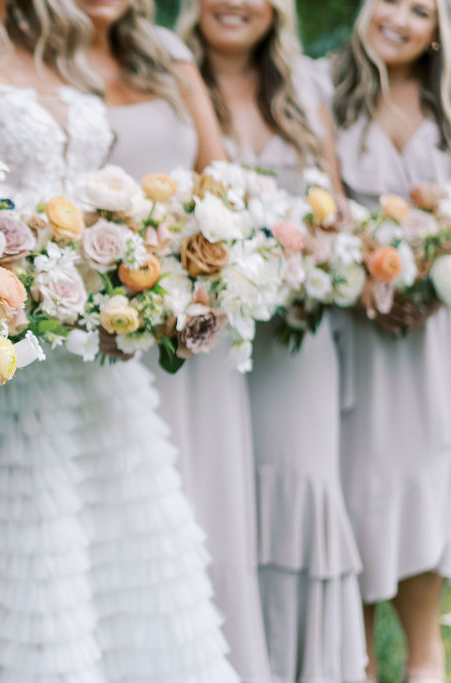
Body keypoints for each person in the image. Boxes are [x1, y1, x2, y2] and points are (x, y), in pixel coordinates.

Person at [0, 1, 239, 680]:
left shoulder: (58, 33)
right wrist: (16, 289)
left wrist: (119, 284)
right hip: (11, 357)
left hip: (98, 359)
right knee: (36, 566)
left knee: (124, 562)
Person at [77, 1, 273, 679]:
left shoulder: (168, 54)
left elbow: (219, 176)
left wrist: (203, 262)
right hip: (102, 331)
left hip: (192, 314)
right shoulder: (44, 57)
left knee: (208, 497)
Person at [177, 1, 369, 681]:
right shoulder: (168, 78)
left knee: (300, 483)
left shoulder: (302, 91)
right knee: (211, 499)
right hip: (204, 339)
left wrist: (314, 245)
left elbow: (335, 210)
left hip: (293, 338)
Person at [331, 0, 451, 680]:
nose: (398, 18)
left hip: (436, 346)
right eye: (388, 0)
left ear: (440, 30)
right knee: (355, 482)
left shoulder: (447, 109)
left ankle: (425, 657)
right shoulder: (326, 94)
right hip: (353, 340)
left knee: (429, 477)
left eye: (421, 9)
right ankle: (360, 658)